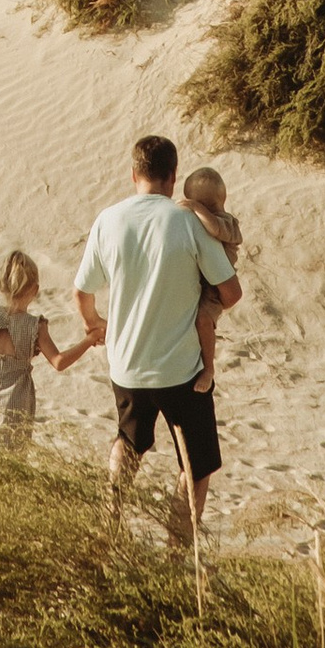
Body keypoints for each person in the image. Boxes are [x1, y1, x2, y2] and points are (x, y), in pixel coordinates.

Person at [73, 131, 241, 544]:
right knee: (195, 465)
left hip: (126, 363)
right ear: (173, 176)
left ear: (134, 174)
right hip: (181, 369)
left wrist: (98, 326)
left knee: (128, 442)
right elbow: (231, 292)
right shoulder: (187, 221)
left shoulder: (108, 219)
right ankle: (176, 551)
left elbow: (81, 292)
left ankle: (108, 524)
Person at [0, 244, 94, 455]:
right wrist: (89, 340)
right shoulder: (35, 326)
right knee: (7, 468)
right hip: (15, 408)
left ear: (1, 286)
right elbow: (59, 362)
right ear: (34, 290)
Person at [179, 166, 244, 395]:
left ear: (222, 202)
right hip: (199, 281)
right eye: (199, 205)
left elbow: (215, 228)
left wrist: (196, 208)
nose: (205, 212)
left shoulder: (227, 222)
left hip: (215, 290)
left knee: (203, 319)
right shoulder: (199, 222)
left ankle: (208, 369)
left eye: (211, 206)